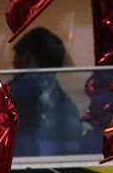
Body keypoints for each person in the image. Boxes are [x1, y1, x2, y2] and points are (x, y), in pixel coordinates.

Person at [8, 28, 84, 156]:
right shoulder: (69, 108)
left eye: (17, 57)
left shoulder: (13, 95)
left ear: (29, 59)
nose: (13, 63)